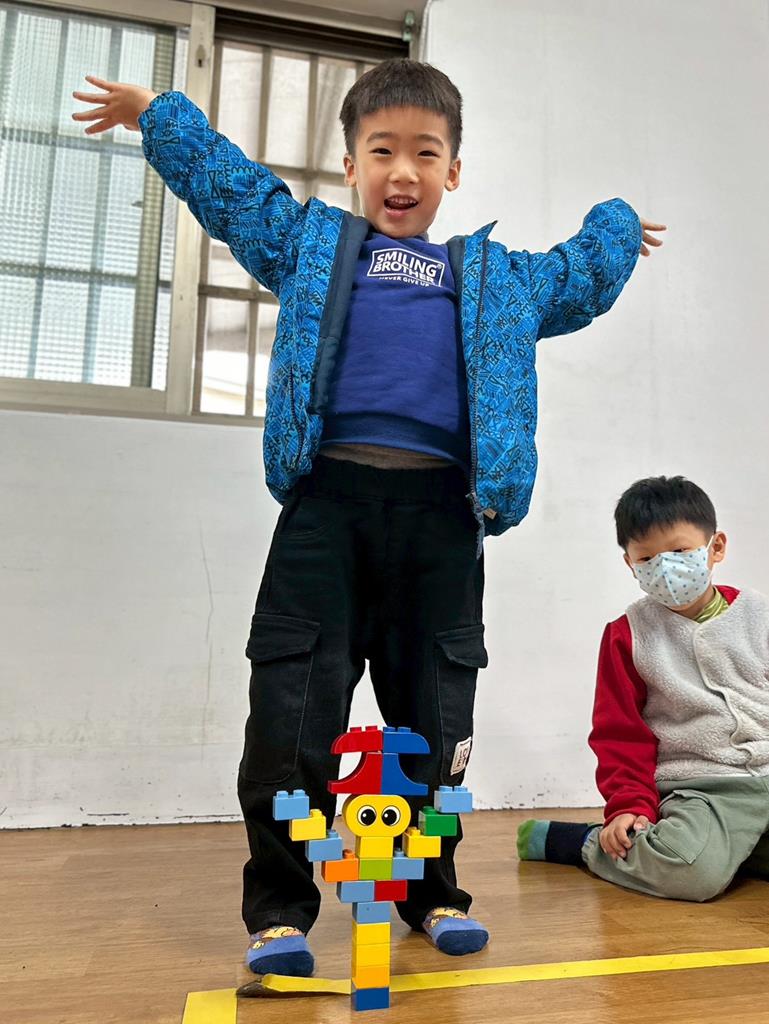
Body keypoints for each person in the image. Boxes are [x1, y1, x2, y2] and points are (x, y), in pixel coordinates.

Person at [72, 58, 664, 975]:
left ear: (453, 171)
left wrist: (617, 224)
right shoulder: (312, 246)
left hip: (440, 522)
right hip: (327, 513)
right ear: (350, 164)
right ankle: (279, 911)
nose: (402, 171)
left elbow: (578, 277)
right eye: (381, 150)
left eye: (425, 153)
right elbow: (233, 191)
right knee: (289, 721)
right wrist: (160, 115)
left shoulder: (495, 279)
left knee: (435, 722)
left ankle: (431, 895)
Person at [518, 475, 769, 901]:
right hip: (703, 789)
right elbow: (620, 735)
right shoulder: (628, 635)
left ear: (716, 547)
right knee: (691, 874)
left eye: (680, 552)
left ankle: (723, 849)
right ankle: (584, 843)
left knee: (708, 859)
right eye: (648, 559)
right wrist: (629, 805)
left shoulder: (758, 615)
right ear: (630, 564)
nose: (666, 569)